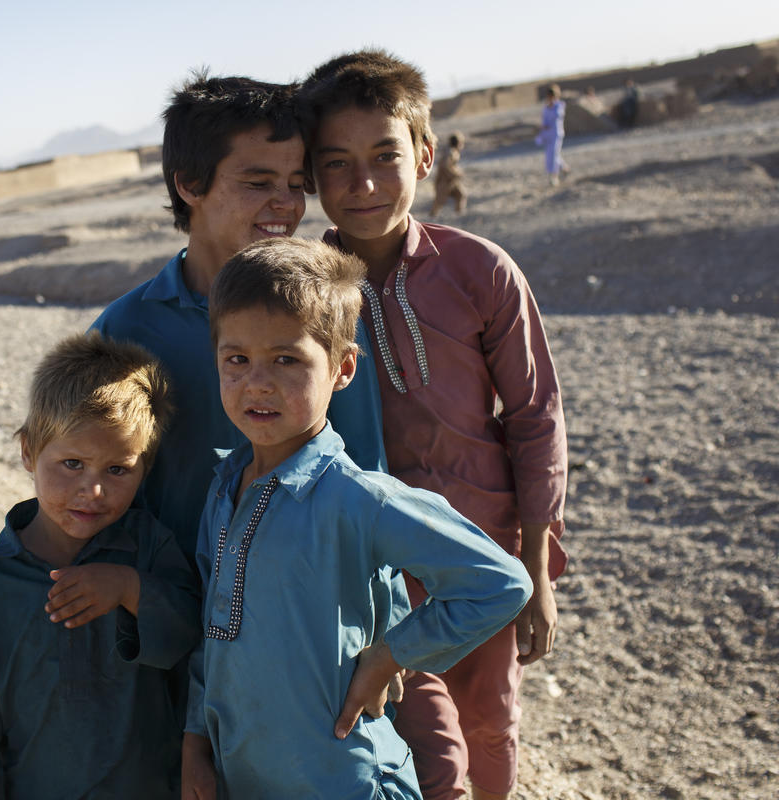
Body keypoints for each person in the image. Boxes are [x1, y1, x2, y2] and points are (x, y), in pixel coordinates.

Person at [297, 50, 569, 800]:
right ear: (315, 177)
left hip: (481, 554)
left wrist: (538, 575)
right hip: (370, 564)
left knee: (490, 726)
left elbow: (534, 420)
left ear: (424, 155)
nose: (365, 185)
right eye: (338, 165)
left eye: (386, 157)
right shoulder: (305, 291)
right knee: (426, 747)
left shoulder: (481, 272)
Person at [182, 237, 533, 799]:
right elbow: (214, 629)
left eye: (287, 359)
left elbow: (500, 583)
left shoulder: (359, 498)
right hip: (245, 776)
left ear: (342, 368)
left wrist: (392, 654)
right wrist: (195, 743)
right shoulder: (224, 489)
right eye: (237, 359)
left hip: (344, 780)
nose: (258, 382)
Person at [90, 72, 388, 562]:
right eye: (258, 182)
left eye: (296, 184)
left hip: (302, 605)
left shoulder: (321, 312)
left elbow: (367, 474)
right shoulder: (125, 330)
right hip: (173, 613)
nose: (287, 204)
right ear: (189, 184)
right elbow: (94, 485)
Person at [0, 331, 200, 799]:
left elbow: (196, 641)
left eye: (117, 470)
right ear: (29, 451)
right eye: (72, 463)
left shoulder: (149, 549)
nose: (92, 491)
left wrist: (132, 590)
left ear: (145, 468)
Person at [537, 84, 568, 185]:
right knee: (550, 155)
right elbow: (544, 120)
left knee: (554, 155)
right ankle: (564, 168)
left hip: (556, 133)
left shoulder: (559, 105)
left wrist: (553, 105)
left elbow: (558, 116)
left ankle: (554, 176)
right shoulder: (546, 107)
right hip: (547, 134)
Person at [431, 132, 466, 217]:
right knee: (439, 201)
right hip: (444, 181)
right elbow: (444, 165)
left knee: (461, 194)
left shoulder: (453, 152)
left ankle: (459, 215)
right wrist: (454, 173)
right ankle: (432, 216)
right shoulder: (450, 152)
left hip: (452, 181)